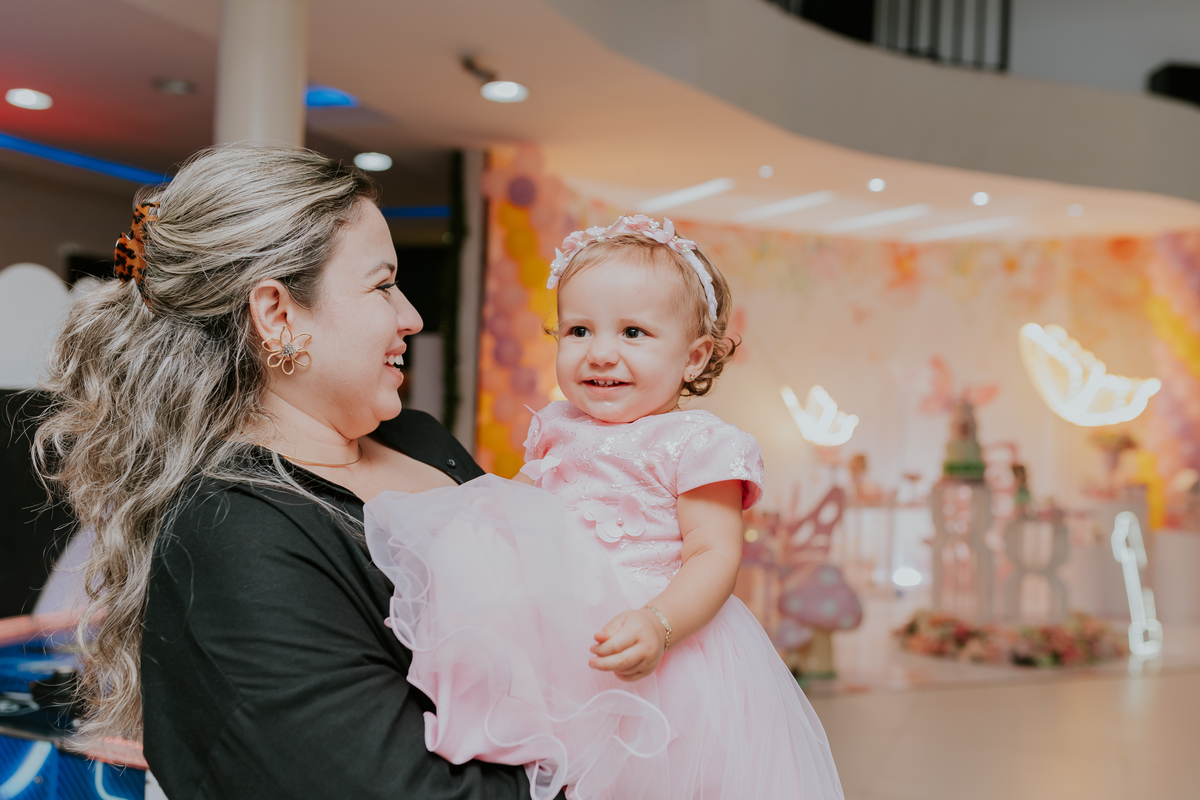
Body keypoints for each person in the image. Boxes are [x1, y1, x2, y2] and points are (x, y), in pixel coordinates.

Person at [34, 146, 558, 799]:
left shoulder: (420, 440)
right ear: (277, 313)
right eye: (382, 284)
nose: (412, 318)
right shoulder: (234, 535)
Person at [366, 215, 845, 799]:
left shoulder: (698, 443)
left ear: (694, 357)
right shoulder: (555, 427)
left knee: (660, 774)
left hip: (668, 645)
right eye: (579, 331)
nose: (600, 354)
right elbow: (524, 512)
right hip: (568, 637)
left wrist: (659, 624)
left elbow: (713, 555)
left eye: (634, 334)